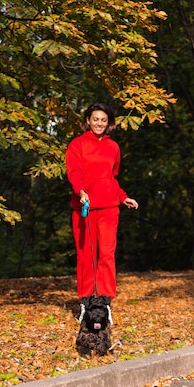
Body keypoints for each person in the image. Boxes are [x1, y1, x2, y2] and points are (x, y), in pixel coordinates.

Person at [66, 102, 138, 318]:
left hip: (109, 208)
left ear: (109, 124)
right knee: (86, 256)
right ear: (88, 120)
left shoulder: (113, 147)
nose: (99, 123)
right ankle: (86, 303)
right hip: (84, 208)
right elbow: (74, 172)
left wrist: (123, 197)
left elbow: (111, 178)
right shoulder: (77, 144)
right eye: (95, 119)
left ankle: (105, 303)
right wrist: (80, 191)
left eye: (103, 120)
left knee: (106, 255)